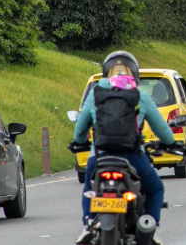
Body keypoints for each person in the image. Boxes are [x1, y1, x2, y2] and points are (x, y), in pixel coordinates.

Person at [72, 51, 176, 245]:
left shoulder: (96, 94)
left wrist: (80, 140)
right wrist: (170, 143)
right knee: (156, 189)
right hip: (133, 157)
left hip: (99, 157)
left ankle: (88, 223)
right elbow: (164, 132)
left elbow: (79, 131)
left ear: (106, 72)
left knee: (88, 188)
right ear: (135, 73)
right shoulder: (140, 96)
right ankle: (149, 225)